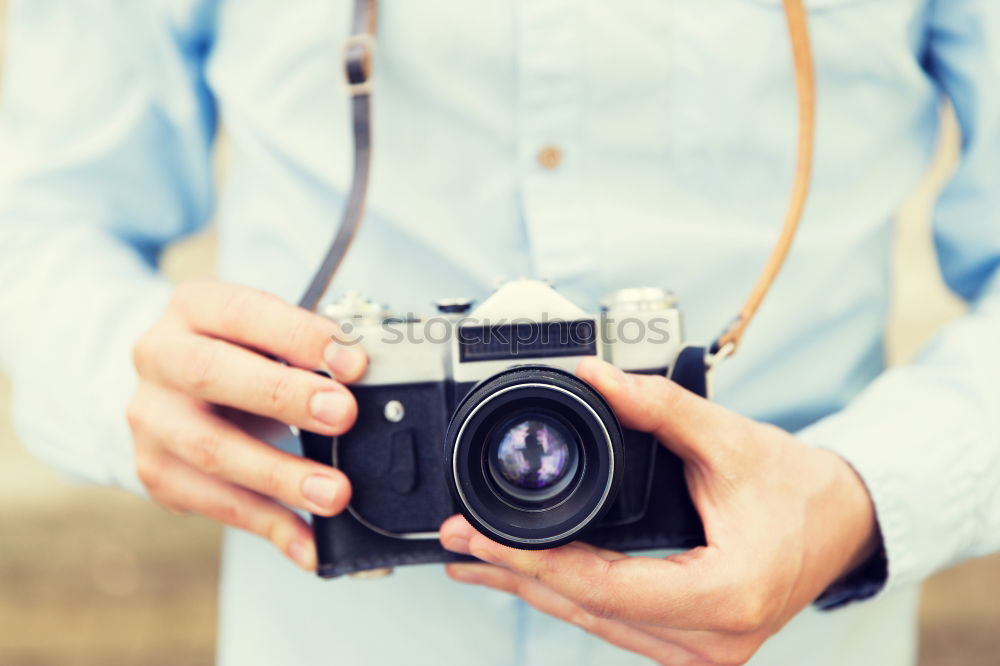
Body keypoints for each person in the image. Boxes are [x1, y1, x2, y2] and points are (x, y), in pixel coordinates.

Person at [1, 1, 998, 665]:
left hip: (796, 635)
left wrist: (861, 494)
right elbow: (42, 214)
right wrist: (130, 373)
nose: (529, 449)